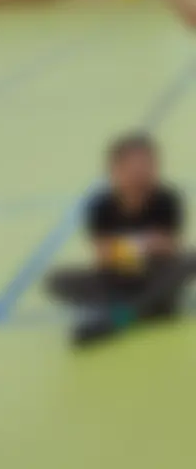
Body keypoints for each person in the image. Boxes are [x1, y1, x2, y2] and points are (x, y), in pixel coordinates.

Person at [47, 134, 194, 345]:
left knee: (189, 261)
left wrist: (125, 247)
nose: (140, 173)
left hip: (155, 273)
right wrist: (146, 244)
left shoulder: (167, 199)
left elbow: (170, 247)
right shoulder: (101, 206)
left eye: (147, 165)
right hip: (116, 278)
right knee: (57, 280)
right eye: (133, 167)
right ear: (115, 169)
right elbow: (103, 255)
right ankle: (147, 309)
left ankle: (120, 316)